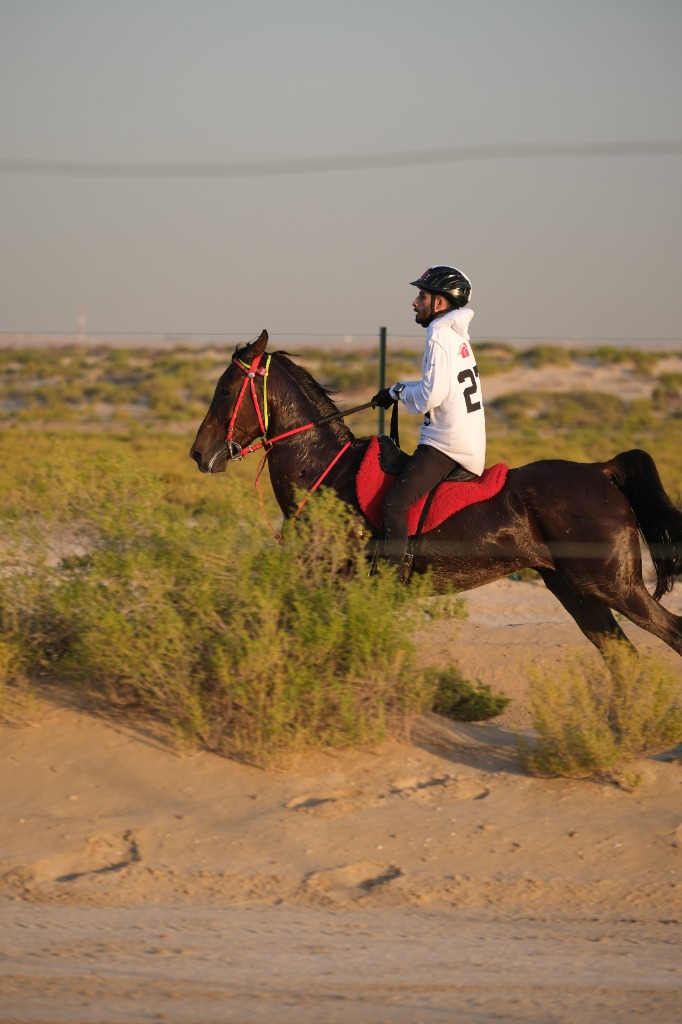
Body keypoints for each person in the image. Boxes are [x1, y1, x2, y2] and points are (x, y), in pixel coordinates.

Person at [371, 265, 486, 579]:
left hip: (446, 445)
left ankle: (393, 584)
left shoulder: (438, 335)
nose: (414, 302)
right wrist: (397, 390)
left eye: (421, 296)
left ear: (439, 303)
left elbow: (429, 398)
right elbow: (436, 387)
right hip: (465, 442)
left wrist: (397, 392)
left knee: (394, 505)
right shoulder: (456, 336)